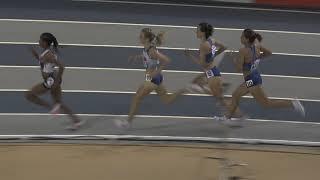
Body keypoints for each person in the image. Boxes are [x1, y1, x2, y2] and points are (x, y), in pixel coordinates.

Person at [217, 29, 305, 121]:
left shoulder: (243, 51)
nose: (240, 38)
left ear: (247, 39)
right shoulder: (257, 45)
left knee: (266, 104)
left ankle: (292, 103)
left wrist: (233, 58)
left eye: (242, 36)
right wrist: (256, 59)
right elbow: (269, 53)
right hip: (254, 77)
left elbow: (239, 69)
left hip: (251, 80)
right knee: (236, 95)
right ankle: (227, 118)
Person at [115, 28, 185, 128]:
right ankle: (186, 89)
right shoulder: (147, 47)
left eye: (141, 36)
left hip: (153, 79)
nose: (139, 38)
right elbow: (145, 55)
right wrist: (136, 57)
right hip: (151, 78)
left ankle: (127, 123)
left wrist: (156, 72)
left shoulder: (152, 50)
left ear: (147, 39)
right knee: (167, 99)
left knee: (137, 98)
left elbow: (166, 60)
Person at [25, 32, 85, 130]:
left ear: (45, 43)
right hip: (53, 79)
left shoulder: (48, 54)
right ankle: (77, 121)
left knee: (29, 95)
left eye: (40, 40)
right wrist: (35, 54)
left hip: (51, 81)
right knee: (58, 103)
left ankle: (51, 108)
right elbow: (42, 62)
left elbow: (62, 66)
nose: (38, 41)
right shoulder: (46, 52)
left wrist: (56, 82)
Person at [184, 22, 243, 120]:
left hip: (212, 74)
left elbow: (202, 64)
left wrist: (189, 56)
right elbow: (224, 46)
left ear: (203, 32)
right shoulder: (211, 40)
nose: (196, 32)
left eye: (198, 30)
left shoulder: (204, 45)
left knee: (220, 99)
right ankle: (232, 114)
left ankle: (239, 116)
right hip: (212, 72)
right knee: (215, 95)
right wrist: (213, 54)